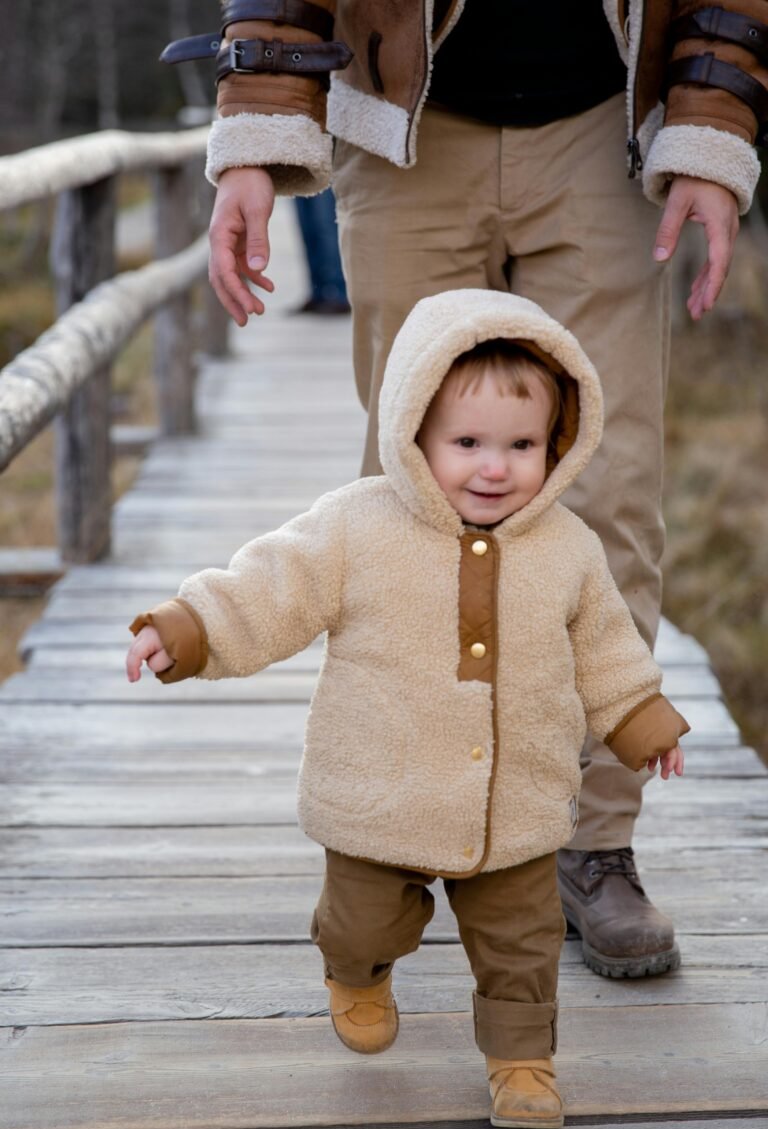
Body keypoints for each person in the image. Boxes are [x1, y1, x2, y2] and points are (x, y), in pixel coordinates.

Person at [159, 1, 766, 977]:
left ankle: (591, 844)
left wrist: (709, 129)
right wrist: (254, 137)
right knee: (408, 505)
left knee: (610, 499)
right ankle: (399, 826)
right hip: (407, 124)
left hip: (602, 121)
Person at [125, 289, 688, 1129]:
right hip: (380, 792)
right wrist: (189, 628)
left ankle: (522, 1063)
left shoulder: (569, 547)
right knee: (363, 924)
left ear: (558, 444)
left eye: (522, 446)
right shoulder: (357, 526)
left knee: (524, 945)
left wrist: (641, 720)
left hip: (514, 804)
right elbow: (270, 588)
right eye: (467, 444)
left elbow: (607, 648)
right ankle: (355, 969)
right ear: (412, 434)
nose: (494, 468)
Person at [293, 187, 350, 314]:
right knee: (308, 229)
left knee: (325, 225)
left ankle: (338, 293)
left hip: (327, 176)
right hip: (297, 175)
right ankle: (318, 292)